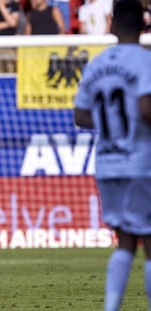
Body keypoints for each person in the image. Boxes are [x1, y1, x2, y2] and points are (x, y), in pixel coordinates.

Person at [73, 0, 151, 310]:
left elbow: (80, 115)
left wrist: (115, 125)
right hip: (141, 162)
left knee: (125, 242)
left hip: (107, 163)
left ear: (112, 25)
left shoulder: (97, 64)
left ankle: (111, 307)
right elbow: (146, 109)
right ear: (145, 26)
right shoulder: (145, 61)